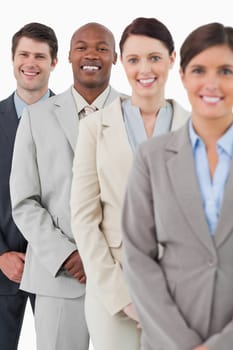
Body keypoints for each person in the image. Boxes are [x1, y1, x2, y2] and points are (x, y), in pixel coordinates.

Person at [70, 17, 189, 350]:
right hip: (113, 294)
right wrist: (122, 297)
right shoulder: (95, 128)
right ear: (122, 62)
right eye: (134, 59)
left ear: (172, 58)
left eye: (154, 57)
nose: (145, 69)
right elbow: (83, 217)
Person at [9, 22, 121, 350]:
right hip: (58, 278)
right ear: (69, 56)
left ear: (115, 57)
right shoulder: (36, 117)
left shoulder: (136, 113)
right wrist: (67, 254)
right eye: (82, 47)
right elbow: (24, 201)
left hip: (122, 277)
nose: (91, 54)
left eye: (102, 48)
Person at [122, 22, 233, 350]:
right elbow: (137, 255)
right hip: (167, 339)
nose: (211, 83)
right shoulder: (151, 157)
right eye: (199, 69)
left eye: (226, 70)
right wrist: (181, 343)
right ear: (182, 75)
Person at [0, 22, 58, 350]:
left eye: (40, 55)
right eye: (24, 54)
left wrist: (60, 254)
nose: (30, 62)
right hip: (1, 265)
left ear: (54, 62)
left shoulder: (78, 120)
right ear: (12, 59)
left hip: (59, 270)